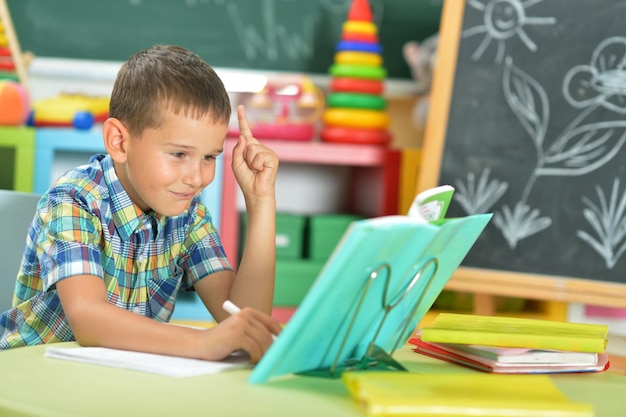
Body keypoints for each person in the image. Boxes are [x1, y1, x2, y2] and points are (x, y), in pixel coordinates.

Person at [0, 45, 282, 363]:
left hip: (118, 379)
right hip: (30, 372)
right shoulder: (73, 200)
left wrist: (261, 202)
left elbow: (245, 322)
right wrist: (202, 343)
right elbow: (88, 319)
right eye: (179, 154)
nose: (196, 177)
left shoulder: (188, 215)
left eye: (209, 157)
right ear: (119, 142)